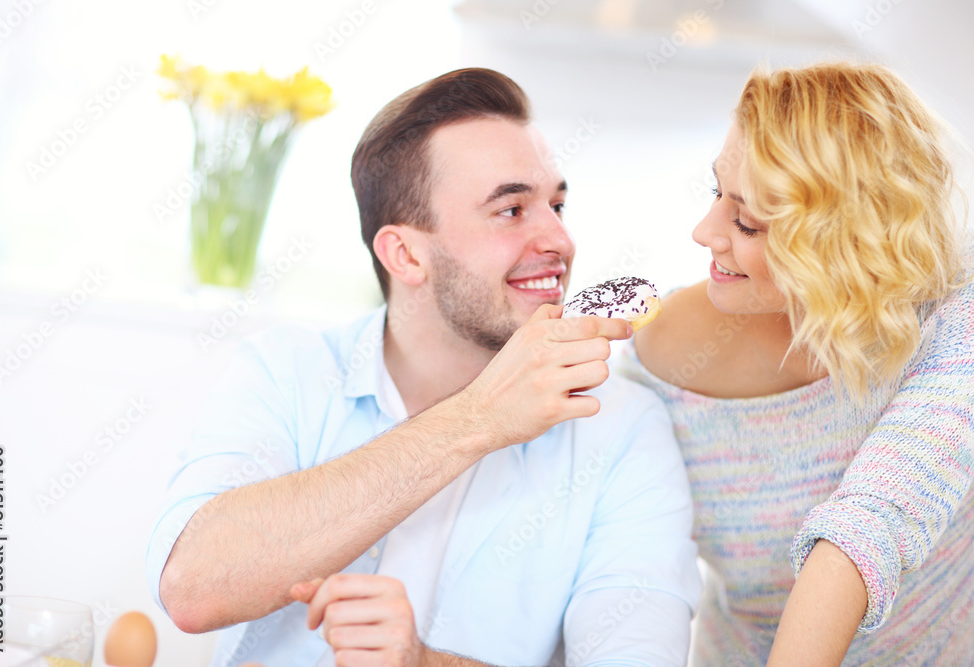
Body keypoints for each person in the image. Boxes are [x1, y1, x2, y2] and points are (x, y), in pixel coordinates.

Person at [147, 68, 701, 667]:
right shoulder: (287, 372)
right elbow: (191, 588)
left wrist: (423, 662)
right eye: (511, 210)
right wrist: (477, 419)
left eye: (557, 205)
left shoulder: (621, 429)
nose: (560, 240)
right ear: (406, 254)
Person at [624, 62, 974, 666]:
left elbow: (867, 527)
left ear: (843, 238)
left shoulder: (955, 321)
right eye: (716, 193)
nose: (704, 232)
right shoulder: (663, 350)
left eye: (747, 222)